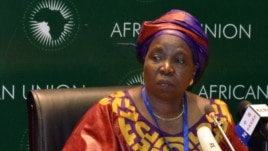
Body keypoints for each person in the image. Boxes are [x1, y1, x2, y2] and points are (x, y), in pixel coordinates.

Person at [62, 9, 248, 151]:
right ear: (144, 63)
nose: (166, 68)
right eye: (157, 57)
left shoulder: (215, 117)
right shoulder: (111, 113)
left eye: (179, 60)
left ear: (194, 72)